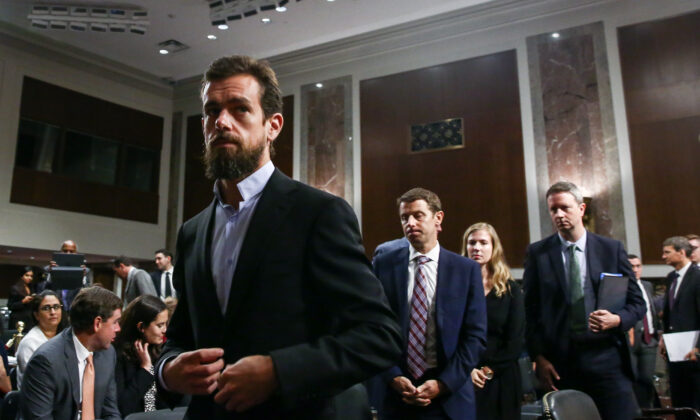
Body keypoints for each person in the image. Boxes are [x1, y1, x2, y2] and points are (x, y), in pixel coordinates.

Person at [156, 55, 402, 419]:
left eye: (239, 109)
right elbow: (180, 337)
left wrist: (279, 371)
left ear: (273, 125)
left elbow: (379, 336)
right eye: (212, 112)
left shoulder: (318, 214)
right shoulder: (192, 232)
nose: (221, 122)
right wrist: (169, 370)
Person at [523, 181, 645, 420]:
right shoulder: (538, 253)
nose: (558, 214)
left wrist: (617, 319)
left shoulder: (610, 249)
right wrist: (538, 356)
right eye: (553, 209)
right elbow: (530, 311)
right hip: (561, 362)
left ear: (581, 209)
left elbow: (637, 303)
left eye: (565, 208)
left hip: (606, 358)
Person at [370, 188, 487, 420]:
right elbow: (374, 327)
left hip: (449, 398)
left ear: (438, 218)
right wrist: (392, 376)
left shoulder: (465, 270)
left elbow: (475, 336)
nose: (410, 223)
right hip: (397, 396)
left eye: (418, 215)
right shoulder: (384, 265)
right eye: (404, 217)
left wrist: (443, 383)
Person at [21, 286, 122, 420]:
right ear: (97, 323)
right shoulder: (45, 362)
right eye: (115, 322)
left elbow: (111, 413)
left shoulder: (108, 354)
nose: (118, 328)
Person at [462, 222, 524, 420]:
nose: (477, 248)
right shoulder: (455, 287)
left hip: (501, 377)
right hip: (464, 375)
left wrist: (488, 371)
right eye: (472, 243)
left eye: (483, 243)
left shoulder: (510, 289)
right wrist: (468, 370)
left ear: (494, 247)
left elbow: (516, 340)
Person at [660, 236, 700, 413]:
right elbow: (669, 313)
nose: (663, 256)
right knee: (679, 401)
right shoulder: (670, 278)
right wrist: (663, 339)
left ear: (681, 252)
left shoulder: (698, 277)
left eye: (667, 252)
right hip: (675, 350)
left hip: (694, 352)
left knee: (695, 400)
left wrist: (699, 347)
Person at [114, 295, 169, 416]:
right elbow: (123, 406)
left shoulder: (160, 350)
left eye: (166, 324)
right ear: (141, 327)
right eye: (160, 325)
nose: (165, 330)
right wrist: (145, 369)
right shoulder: (118, 355)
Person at [626, 254, 661, 408]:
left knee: (647, 379)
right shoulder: (621, 286)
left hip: (649, 340)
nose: (635, 270)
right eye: (631, 266)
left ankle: (649, 411)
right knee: (633, 379)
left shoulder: (647, 285)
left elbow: (652, 311)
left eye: (638, 266)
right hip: (631, 340)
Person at [16, 290, 67, 389]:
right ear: (36, 315)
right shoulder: (29, 342)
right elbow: (37, 381)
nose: (52, 312)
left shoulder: (66, 337)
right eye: (46, 308)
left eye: (56, 307)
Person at [42, 240, 90, 309]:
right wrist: (51, 274)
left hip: (75, 310)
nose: (68, 254)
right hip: (55, 309)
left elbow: (87, 294)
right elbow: (44, 292)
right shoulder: (48, 269)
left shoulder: (86, 271)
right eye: (65, 251)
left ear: (76, 253)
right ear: (60, 252)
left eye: (71, 251)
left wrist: (83, 276)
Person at [8, 266, 36, 330]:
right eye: (27, 275)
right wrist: (23, 301)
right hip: (18, 320)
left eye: (31, 276)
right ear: (21, 276)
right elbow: (10, 306)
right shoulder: (15, 288)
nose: (29, 278)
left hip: (29, 319)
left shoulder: (31, 288)